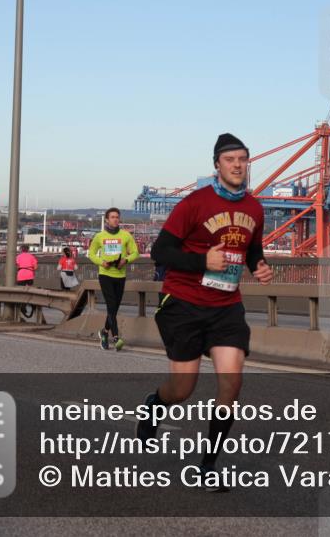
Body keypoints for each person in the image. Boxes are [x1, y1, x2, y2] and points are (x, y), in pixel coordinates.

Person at [138, 133, 273, 488]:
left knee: (232, 383)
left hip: (226, 306)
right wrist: (202, 260)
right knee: (182, 389)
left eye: (243, 159)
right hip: (184, 303)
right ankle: (155, 404)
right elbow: (160, 252)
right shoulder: (194, 203)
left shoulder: (255, 208)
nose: (238, 165)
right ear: (217, 164)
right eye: (231, 160)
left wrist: (258, 265)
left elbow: (252, 249)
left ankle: (207, 466)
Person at [87, 207, 140, 351]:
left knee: (114, 308)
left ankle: (104, 332)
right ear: (106, 220)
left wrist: (126, 260)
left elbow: (136, 252)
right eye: (112, 217)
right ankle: (116, 337)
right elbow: (91, 254)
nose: (115, 219)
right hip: (105, 274)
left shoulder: (126, 236)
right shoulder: (100, 236)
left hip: (120, 275)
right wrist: (101, 262)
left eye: (117, 217)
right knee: (111, 305)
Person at [15, 244, 38, 318]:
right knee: (29, 291)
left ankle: (22, 306)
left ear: (21, 249)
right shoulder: (32, 256)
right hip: (29, 275)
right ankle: (28, 304)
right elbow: (36, 267)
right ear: (28, 249)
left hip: (21, 275)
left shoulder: (18, 256)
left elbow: (17, 265)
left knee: (21, 291)